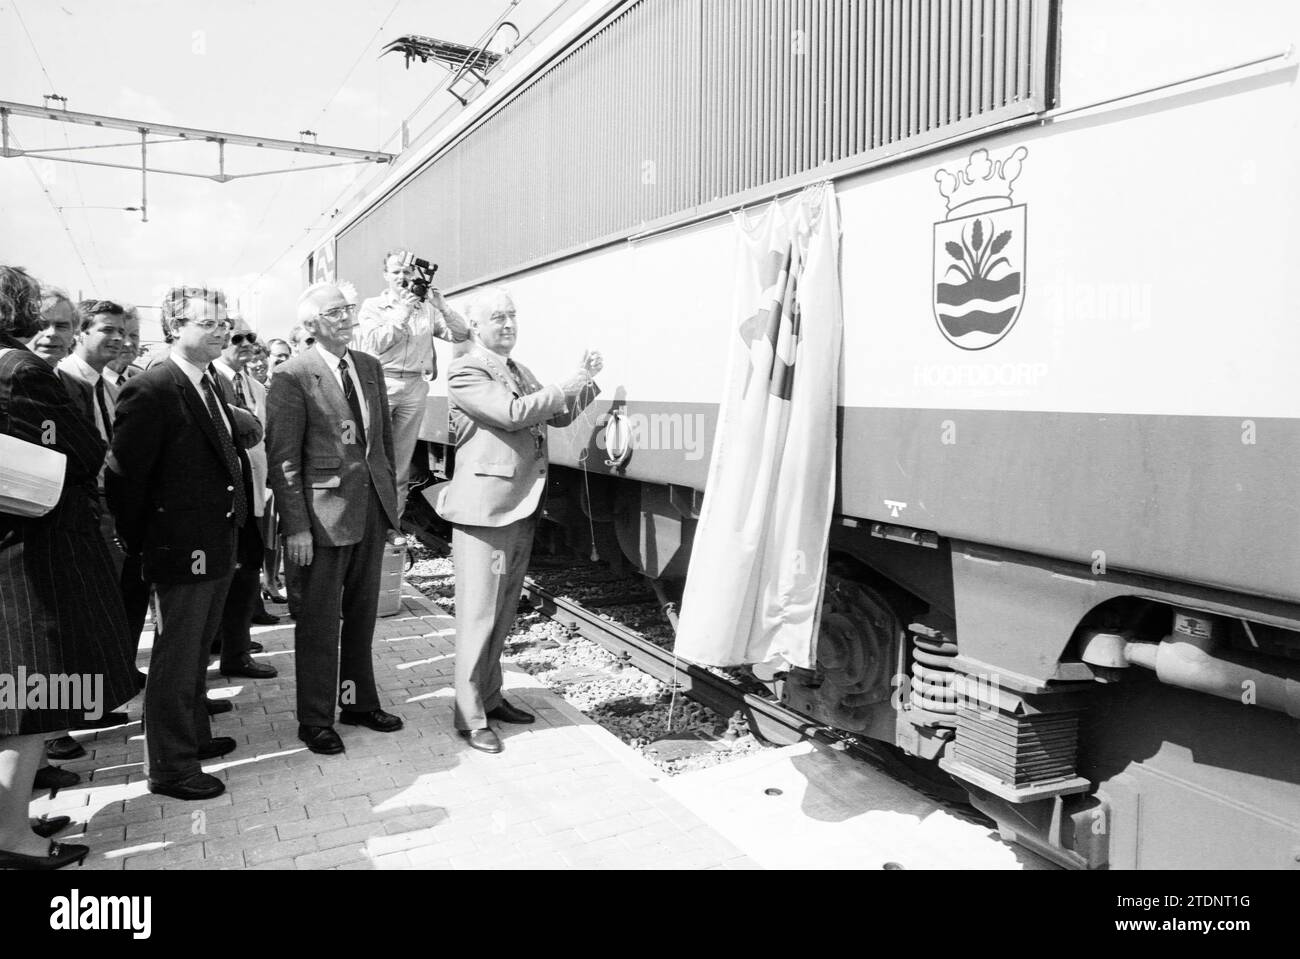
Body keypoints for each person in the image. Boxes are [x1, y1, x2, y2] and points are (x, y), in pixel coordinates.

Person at [0, 265, 137, 867]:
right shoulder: (20, 369)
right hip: (32, 556)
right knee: (27, 699)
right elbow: (84, 450)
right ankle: (13, 839)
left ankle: (12, 820)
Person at [106, 286, 261, 801]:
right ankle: (170, 767)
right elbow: (124, 479)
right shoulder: (152, 389)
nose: (223, 329)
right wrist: (147, 542)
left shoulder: (207, 381)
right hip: (180, 546)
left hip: (217, 537)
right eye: (210, 322)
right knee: (175, 656)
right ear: (175, 328)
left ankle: (193, 737)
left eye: (225, 321)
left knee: (196, 650)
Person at [430, 287, 601, 753]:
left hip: (518, 504)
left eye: (512, 316)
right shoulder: (466, 369)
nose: (507, 324)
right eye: (497, 318)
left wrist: (584, 383)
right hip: (486, 511)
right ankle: (469, 716)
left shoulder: (519, 370)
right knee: (479, 615)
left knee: (503, 610)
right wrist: (563, 386)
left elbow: (556, 417)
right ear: (477, 327)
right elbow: (511, 414)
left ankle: (491, 695)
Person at [266, 283, 404, 755]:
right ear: (310, 326)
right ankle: (316, 720)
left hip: (369, 515)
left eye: (349, 309)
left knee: (362, 617)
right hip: (322, 522)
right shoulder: (292, 375)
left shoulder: (368, 367)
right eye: (334, 312)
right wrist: (297, 526)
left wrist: (390, 507)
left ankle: (359, 703)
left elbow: (380, 443)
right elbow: (283, 459)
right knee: (320, 623)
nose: (347, 317)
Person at [354, 250, 470, 524]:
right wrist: (403, 311)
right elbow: (374, 344)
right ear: (386, 276)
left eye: (406, 272)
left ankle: (391, 527)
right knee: (372, 457)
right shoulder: (373, 307)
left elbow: (460, 334)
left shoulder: (426, 308)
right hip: (381, 383)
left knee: (400, 464)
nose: (402, 277)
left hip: (415, 386)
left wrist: (443, 307)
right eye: (396, 272)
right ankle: (365, 523)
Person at [212, 318, 281, 657]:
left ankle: (236, 641)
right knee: (229, 568)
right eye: (235, 337)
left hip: (255, 490)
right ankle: (226, 641)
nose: (245, 343)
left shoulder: (255, 386)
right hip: (223, 496)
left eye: (250, 337)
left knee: (248, 563)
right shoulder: (210, 382)